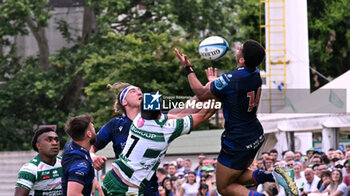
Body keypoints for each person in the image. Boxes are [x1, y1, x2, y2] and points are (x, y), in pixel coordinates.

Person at [175, 40, 298, 196]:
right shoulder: (255, 74)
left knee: (224, 187)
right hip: (254, 134)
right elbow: (233, 86)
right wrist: (216, 83)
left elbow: (201, 93)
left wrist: (188, 68)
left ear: (242, 60)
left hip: (237, 139)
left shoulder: (233, 78)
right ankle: (276, 176)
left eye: (241, 48)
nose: (238, 47)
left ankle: (273, 179)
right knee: (237, 176)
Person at [101, 95, 217, 195]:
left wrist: (204, 95)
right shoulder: (166, 130)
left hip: (111, 178)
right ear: (160, 112)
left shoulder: (138, 120)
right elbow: (203, 115)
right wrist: (218, 95)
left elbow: (178, 115)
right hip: (127, 188)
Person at [61, 114, 103, 196]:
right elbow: (73, 194)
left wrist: (92, 180)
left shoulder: (70, 147)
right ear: (89, 134)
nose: (95, 131)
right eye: (93, 128)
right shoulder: (80, 163)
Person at [15, 128, 62, 196]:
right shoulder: (30, 169)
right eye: (49, 140)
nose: (55, 143)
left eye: (56, 140)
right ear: (38, 145)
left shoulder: (65, 163)